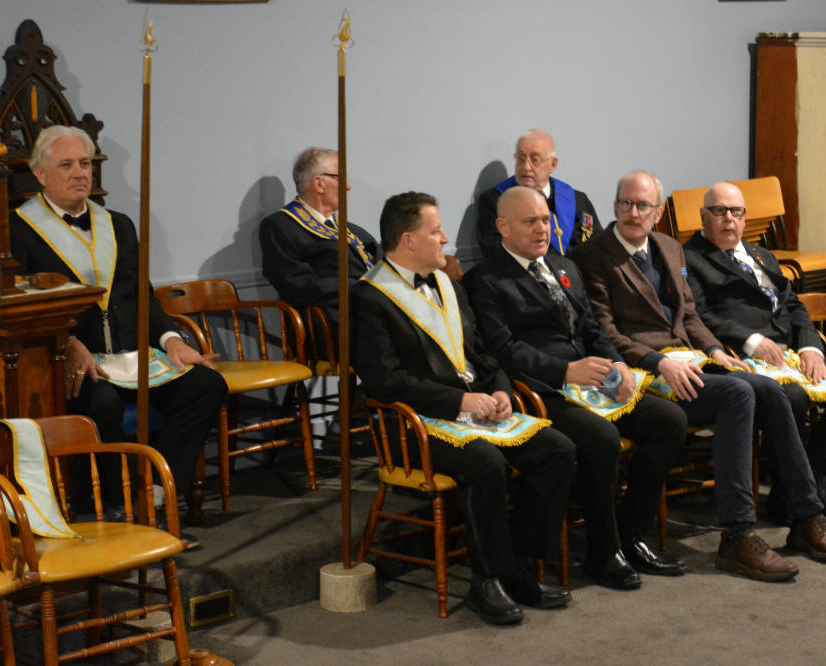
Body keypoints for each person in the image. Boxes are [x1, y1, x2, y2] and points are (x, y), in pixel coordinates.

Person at [572, 170, 826, 582]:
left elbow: (690, 315)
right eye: (626, 203)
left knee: (771, 390)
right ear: (614, 206)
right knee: (739, 395)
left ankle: (805, 518)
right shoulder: (593, 255)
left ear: (657, 212)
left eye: (643, 205)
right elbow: (605, 331)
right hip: (645, 370)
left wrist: (717, 351)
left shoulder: (668, 246)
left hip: (692, 359)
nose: (633, 212)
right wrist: (658, 362)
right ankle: (737, 535)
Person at [352, 191, 575, 624]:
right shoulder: (370, 297)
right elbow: (384, 381)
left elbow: (481, 355)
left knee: (557, 449)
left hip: (474, 411)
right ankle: (486, 581)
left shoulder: (449, 286)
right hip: (414, 424)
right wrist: (459, 400)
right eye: (435, 231)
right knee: (486, 463)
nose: (445, 238)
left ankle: (522, 567)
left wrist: (501, 391)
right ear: (408, 240)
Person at [464, 186, 688, 590]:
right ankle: (604, 552)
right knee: (601, 439)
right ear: (503, 227)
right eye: (529, 222)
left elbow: (592, 329)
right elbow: (503, 350)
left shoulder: (563, 264)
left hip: (592, 379)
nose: (541, 229)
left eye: (545, 220)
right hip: (541, 389)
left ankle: (631, 532)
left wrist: (619, 365)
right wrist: (566, 371)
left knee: (669, 420)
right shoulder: (486, 279)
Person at [7, 125, 227, 507]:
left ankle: (156, 490)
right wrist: (66, 342)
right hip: (69, 363)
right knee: (103, 406)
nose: (80, 173)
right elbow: (17, 311)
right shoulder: (17, 230)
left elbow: (142, 296)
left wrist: (172, 340)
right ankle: (115, 505)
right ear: (40, 174)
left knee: (207, 385)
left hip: (134, 356)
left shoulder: (118, 224)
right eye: (66, 165)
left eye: (85, 163)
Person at [683, 182, 826, 521]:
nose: (729, 219)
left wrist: (811, 348)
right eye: (719, 211)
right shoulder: (690, 259)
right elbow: (699, 314)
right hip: (743, 356)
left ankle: (803, 487)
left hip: (791, 353)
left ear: (745, 217)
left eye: (736, 212)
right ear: (703, 216)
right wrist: (751, 340)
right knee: (793, 397)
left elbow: (794, 306)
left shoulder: (761, 255)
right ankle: (800, 495)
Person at [259, 147, 379, 332]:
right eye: (341, 178)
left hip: (370, 312)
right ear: (319, 183)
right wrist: (364, 288)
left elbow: (383, 262)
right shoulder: (280, 227)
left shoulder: (352, 229)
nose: (348, 186)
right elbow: (299, 285)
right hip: (330, 323)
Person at [477, 129, 601, 259]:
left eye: (534, 160)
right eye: (521, 159)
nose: (526, 167)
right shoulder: (495, 202)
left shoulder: (577, 200)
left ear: (553, 164)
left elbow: (597, 246)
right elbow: (498, 255)